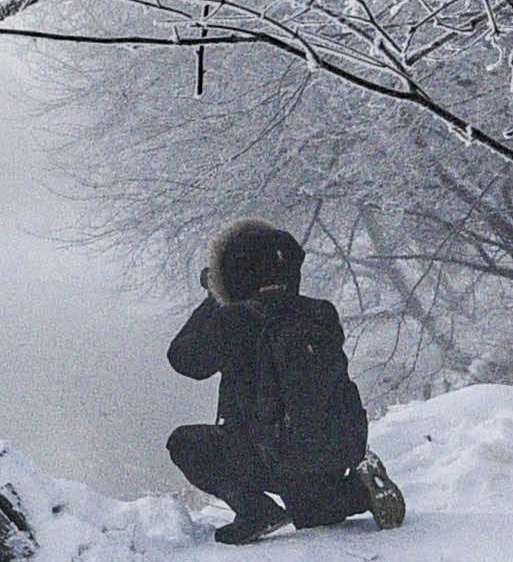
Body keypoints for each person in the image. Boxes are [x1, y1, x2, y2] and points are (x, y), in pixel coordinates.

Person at [164, 220, 406, 544]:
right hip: (331, 453)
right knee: (313, 515)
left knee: (185, 443)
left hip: (269, 457)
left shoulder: (232, 322)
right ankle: (359, 489)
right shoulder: (320, 314)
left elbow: (182, 358)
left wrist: (214, 298)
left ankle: (256, 511)